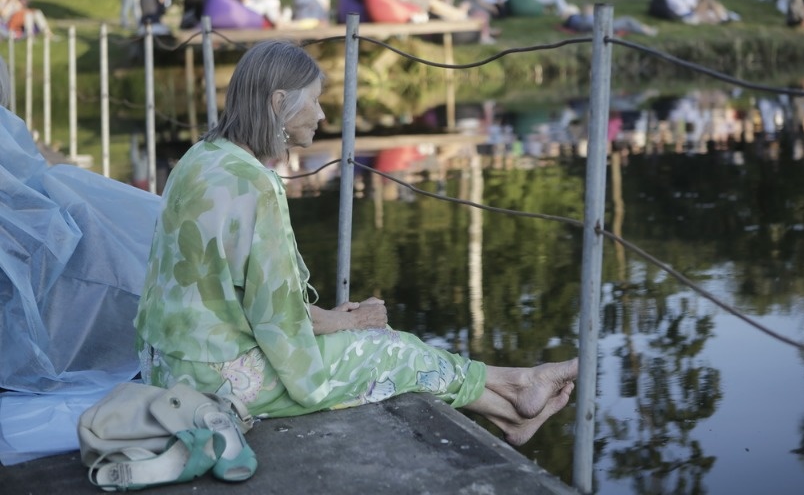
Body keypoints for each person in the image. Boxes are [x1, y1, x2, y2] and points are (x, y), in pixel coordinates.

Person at [134, 41, 578, 447]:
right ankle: (517, 390)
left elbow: (235, 296)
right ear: (279, 103)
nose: (322, 116)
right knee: (388, 349)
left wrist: (336, 321)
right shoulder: (256, 185)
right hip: (217, 381)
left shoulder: (201, 157)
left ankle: (513, 405)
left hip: (167, 366)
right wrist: (349, 323)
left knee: (376, 339)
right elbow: (275, 318)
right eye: (314, 101)